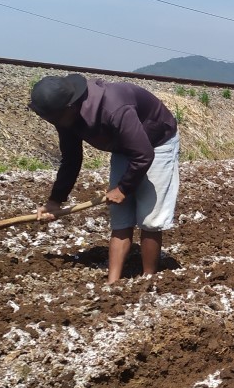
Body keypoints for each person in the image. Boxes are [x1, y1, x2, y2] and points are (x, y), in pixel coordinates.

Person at [29, 73, 179, 284]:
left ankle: (148, 278)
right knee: (120, 215)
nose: (52, 122)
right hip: (125, 146)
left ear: (70, 107)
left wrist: (124, 188)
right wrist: (55, 200)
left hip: (156, 142)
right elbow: (71, 159)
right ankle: (112, 282)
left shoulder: (113, 108)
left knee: (150, 217)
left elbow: (144, 154)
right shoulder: (63, 115)